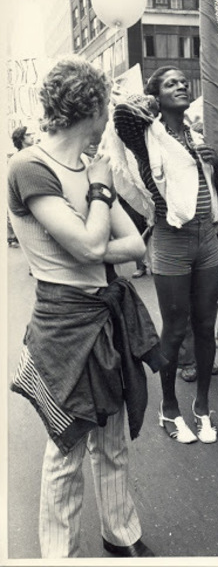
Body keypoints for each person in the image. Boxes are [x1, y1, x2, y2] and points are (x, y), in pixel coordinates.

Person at [8, 57, 164, 558]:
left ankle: (120, 533)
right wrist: (99, 195)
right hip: (64, 324)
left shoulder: (87, 167)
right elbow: (89, 247)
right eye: (108, 107)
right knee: (68, 447)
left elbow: (131, 248)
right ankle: (61, 555)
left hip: (105, 315)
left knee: (113, 438)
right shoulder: (30, 165)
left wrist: (95, 228)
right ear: (94, 108)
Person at [114, 65, 218, 444]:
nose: (181, 85)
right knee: (175, 328)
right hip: (171, 241)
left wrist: (215, 164)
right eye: (171, 83)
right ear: (157, 95)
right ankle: (169, 408)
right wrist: (153, 98)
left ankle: (201, 406)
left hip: (207, 241)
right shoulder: (147, 137)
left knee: (204, 327)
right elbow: (123, 113)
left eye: (184, 82)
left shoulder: (197, 138)